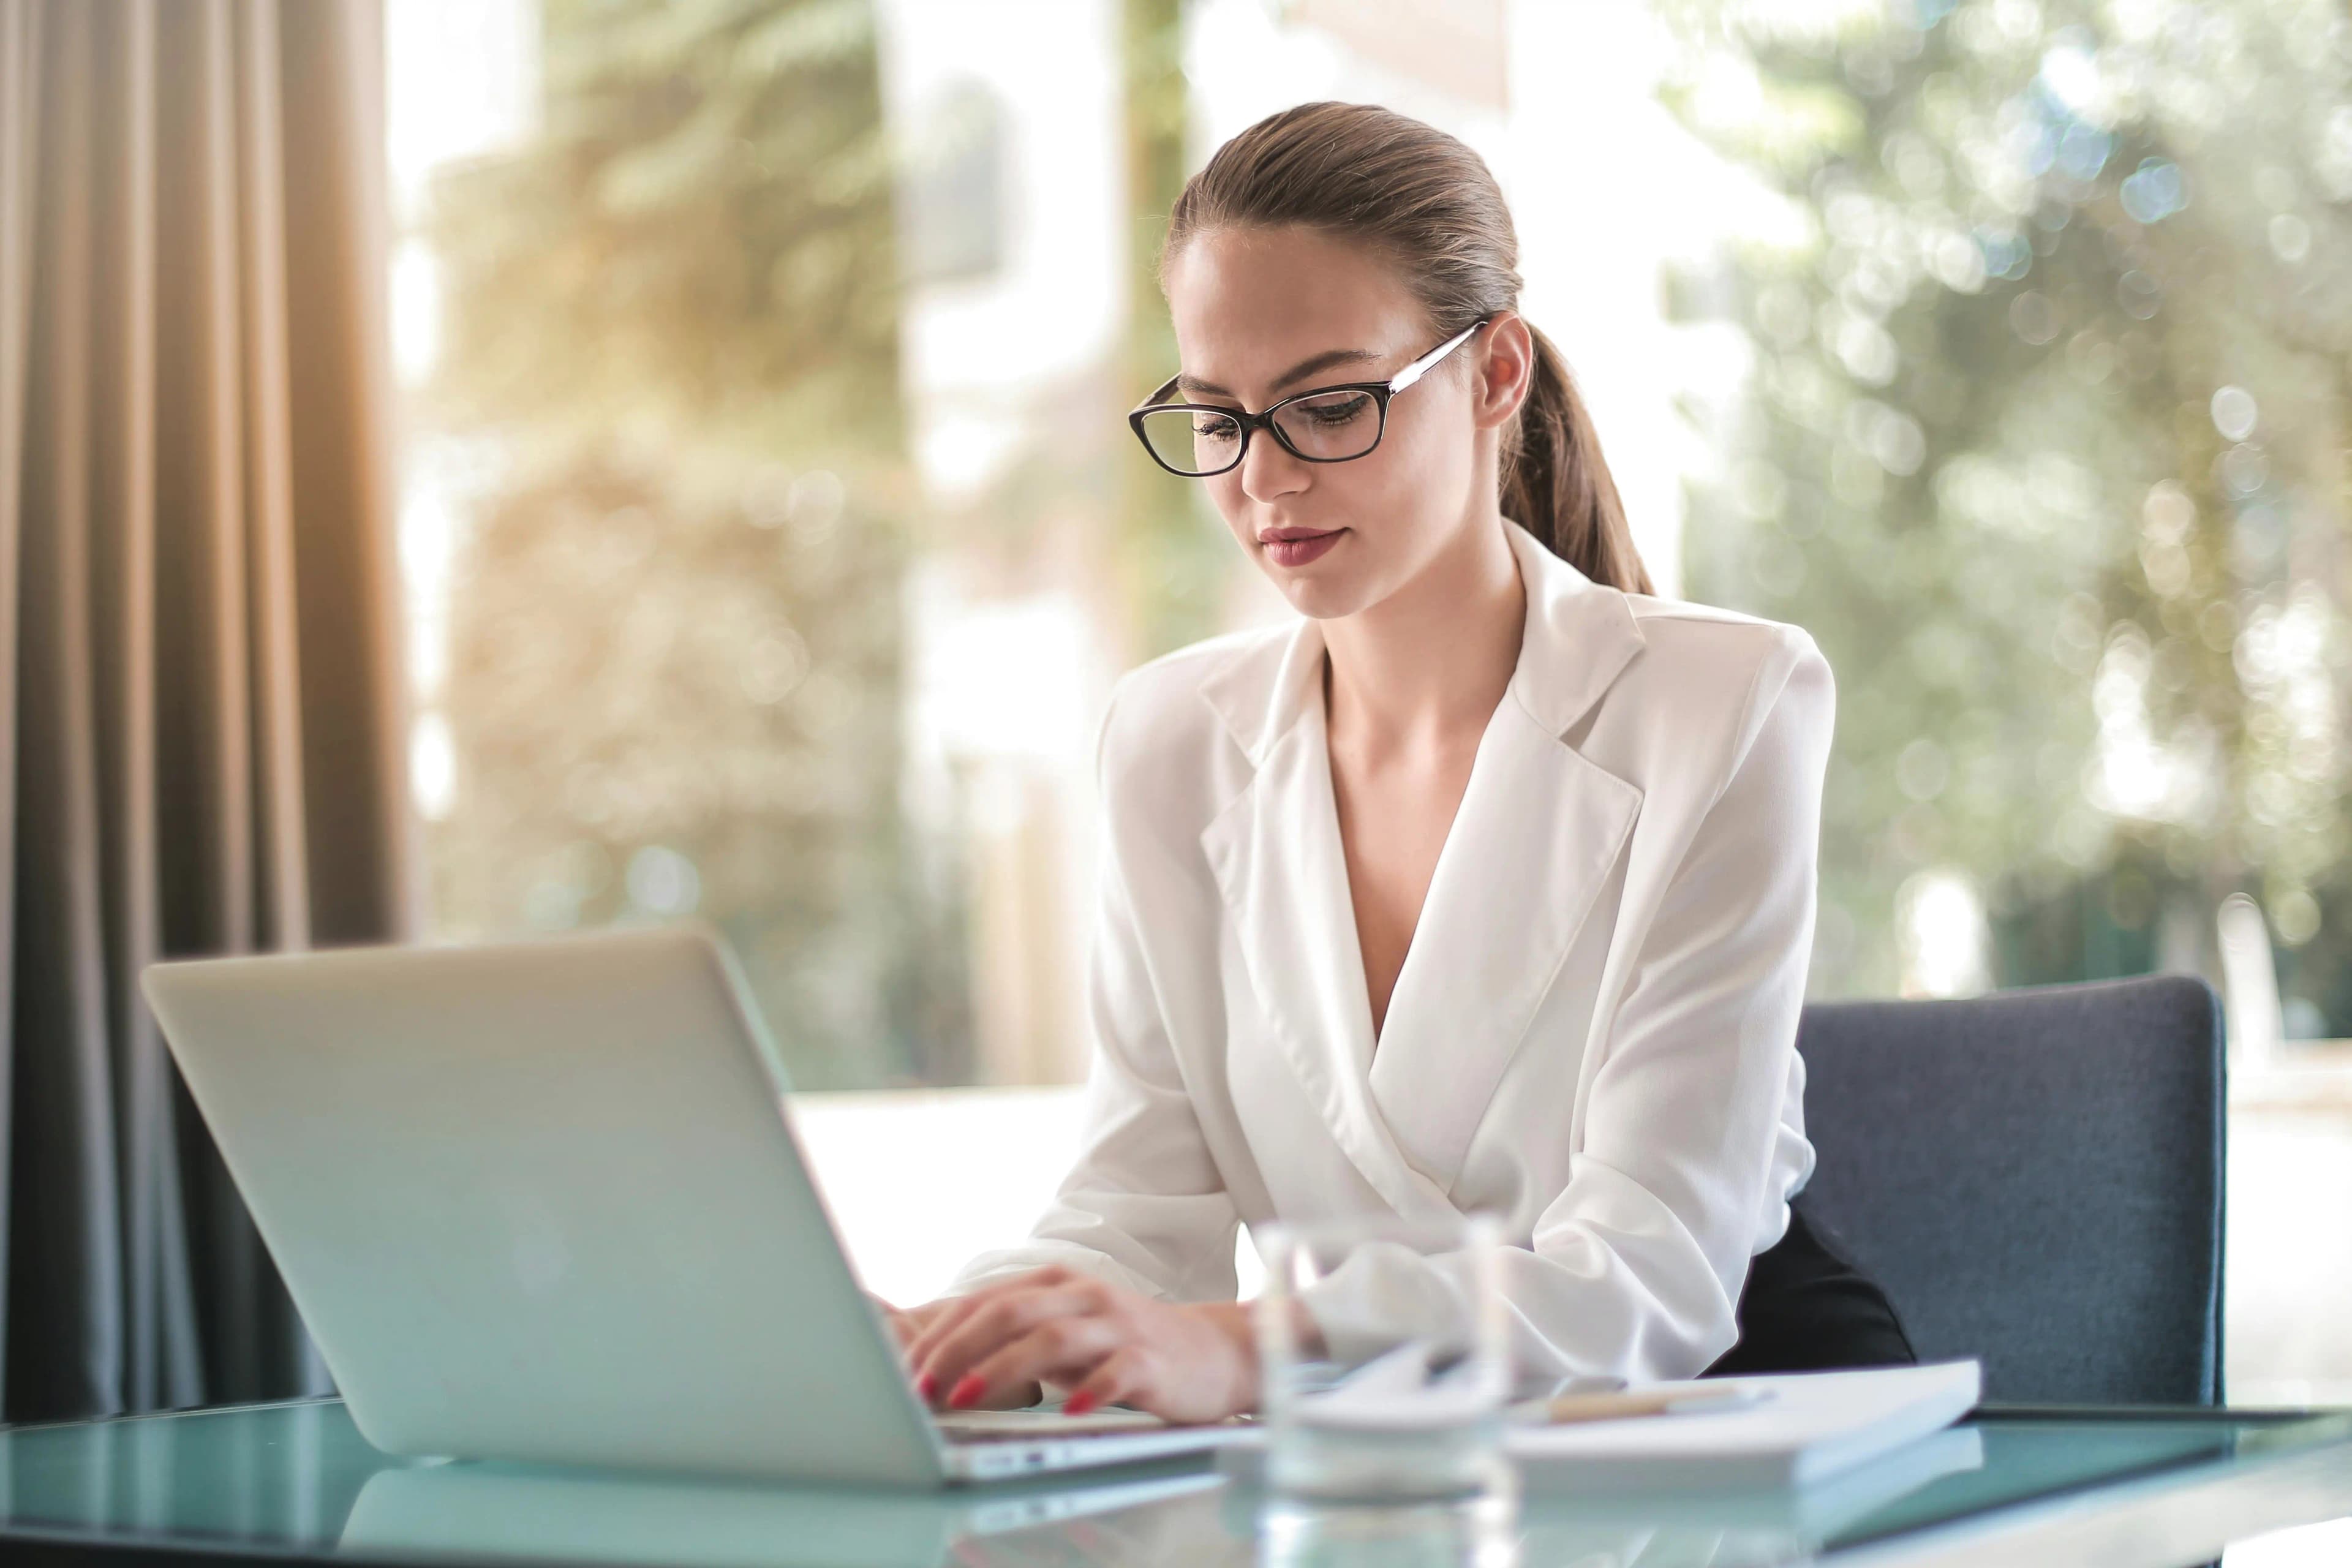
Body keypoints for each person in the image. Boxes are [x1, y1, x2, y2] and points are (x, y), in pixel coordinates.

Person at [891, 101, 1913, 1424]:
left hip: (1721, 1421)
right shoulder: (1170, 741)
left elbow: (1647, 1277)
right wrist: (955, 1339)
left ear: (1495, 375)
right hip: (1385, 1453)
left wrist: (1251, 1351)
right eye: (1219, 415)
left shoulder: (1725, 701)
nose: (1264, 478)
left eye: (1328, 405)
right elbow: (1133, 1213)